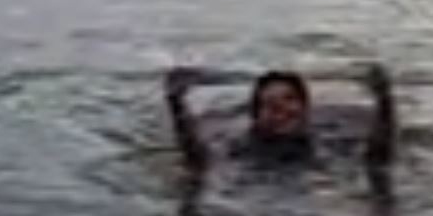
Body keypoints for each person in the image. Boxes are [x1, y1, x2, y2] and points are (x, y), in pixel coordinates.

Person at [165, 63, 395, 173]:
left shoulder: (329, 136)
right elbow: (198, 161)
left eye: (289, 100)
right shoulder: (240, 146)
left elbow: (377, 157)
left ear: (305, 107)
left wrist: (385, 103)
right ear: (256, 116)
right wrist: (177, 106)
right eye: (270, 105)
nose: (281, 111)